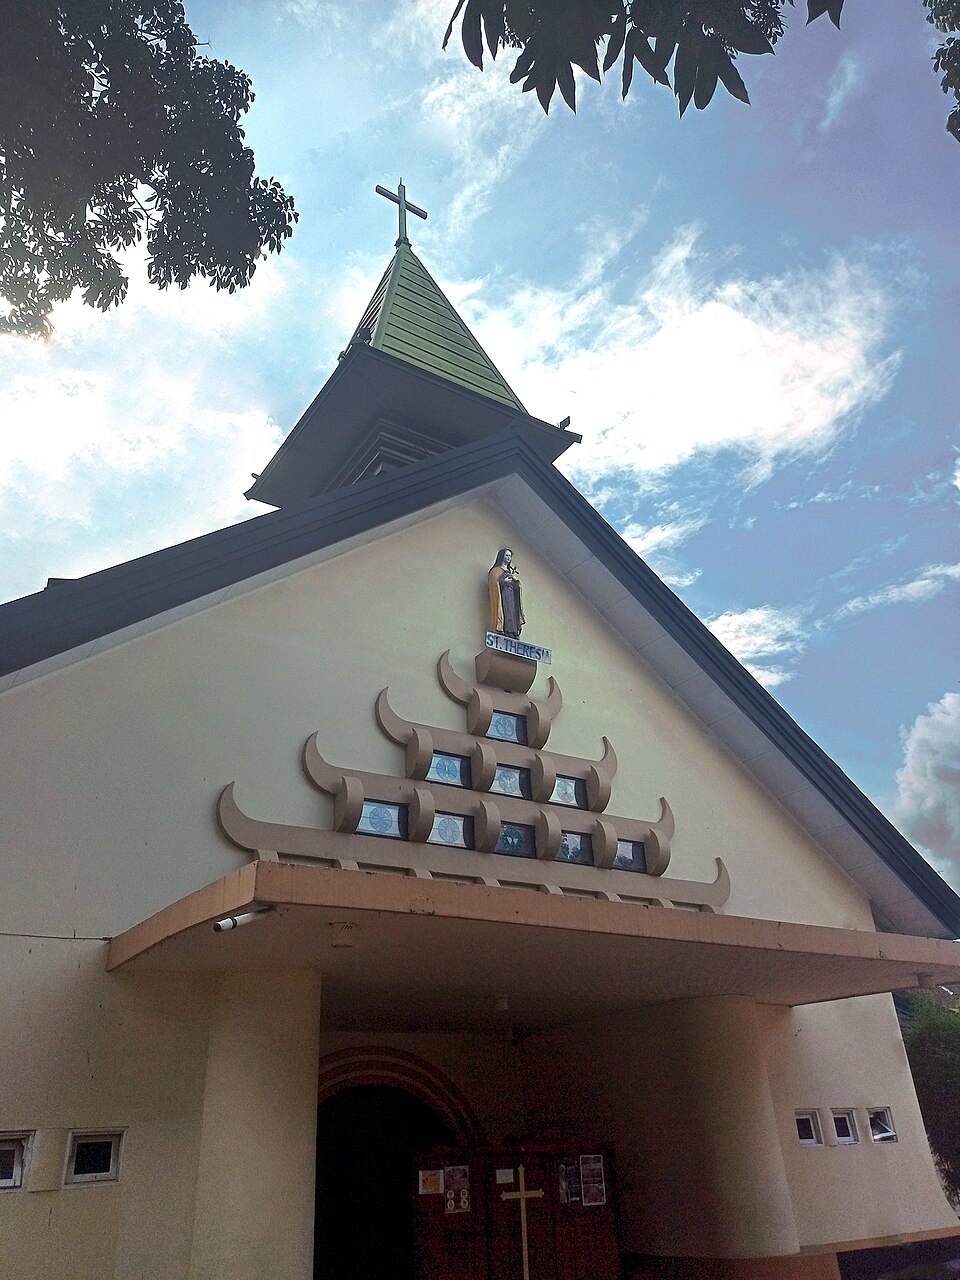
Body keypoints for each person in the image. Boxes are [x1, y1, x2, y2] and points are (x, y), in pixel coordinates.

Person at [488, 548, 525, 638]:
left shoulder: (509, 571)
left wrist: (515, 582)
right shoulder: (496, 570)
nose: (508, 558)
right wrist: (504, 581)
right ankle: (504, 630)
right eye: (506, 555)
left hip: (511, 595)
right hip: (503, 596)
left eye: (510, 556)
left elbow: (517, 586)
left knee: (512, 613)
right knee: (506, 612)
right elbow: (494, 583)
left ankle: (513, 632)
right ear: (502, 557)